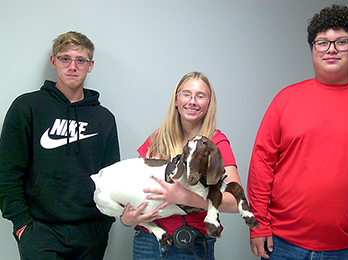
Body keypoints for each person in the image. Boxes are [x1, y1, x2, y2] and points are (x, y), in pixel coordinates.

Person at [247, 5, 348, 260]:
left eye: (341, 42)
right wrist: (258, 225)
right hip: (282, 245)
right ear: (312, 49)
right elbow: (261, 164)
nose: (330, 49)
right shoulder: (285, 100)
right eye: (322, 42)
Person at [0, 31, 120, 259]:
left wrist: (104, 224)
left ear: (90, 65)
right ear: (54, 62)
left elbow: (111, 177)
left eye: (80, 60)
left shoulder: (103, 118)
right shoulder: (27, 107)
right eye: (65, 58)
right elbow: (7, 172)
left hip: (90, 233)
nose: (72, 66)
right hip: (40, 231)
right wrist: (22, 224)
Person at [120, 71, 242, 259]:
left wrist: (188, 198)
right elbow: (132, 189)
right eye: (186, 94)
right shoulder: (156, 140)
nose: (192, 101)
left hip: (190, 245)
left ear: (208, 104)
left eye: (200, 96)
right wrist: (127, 218)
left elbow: (235, 203)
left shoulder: (216, 142)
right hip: (147, 242)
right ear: (176, 100)